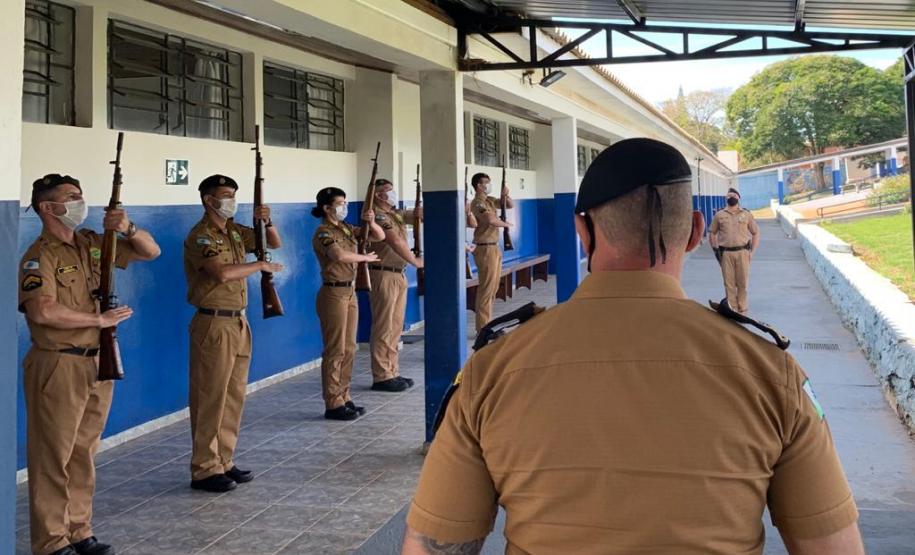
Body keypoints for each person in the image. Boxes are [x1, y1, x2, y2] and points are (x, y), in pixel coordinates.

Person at [403, 139, 863, 555]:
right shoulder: (771, 371)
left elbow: (432, 546)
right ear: (696, 231)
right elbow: (833, 546)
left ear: (582, 232)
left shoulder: (492, 370)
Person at [19, 174, 161, 555]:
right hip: (58, 364)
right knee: (54, 456)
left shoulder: (91, 244)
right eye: (71, 197)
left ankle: (79, 530)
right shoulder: (39, 256)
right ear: (48, 208)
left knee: (84, 452)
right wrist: (98, 320)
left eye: (80, 195)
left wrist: (128, 227)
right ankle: (51, 541)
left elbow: (151, 251)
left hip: (97, 362)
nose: (80, 202)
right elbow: (42, 310)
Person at [183, 174, 283, 493]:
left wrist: (267, 222)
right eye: (226, 195)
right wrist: (259, 267)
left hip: (238, 321)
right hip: (213, 323)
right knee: (210, 396)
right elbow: (222, 273)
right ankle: (204, 468)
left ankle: (224, 460)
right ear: (208, 200)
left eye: (234, 195)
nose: (231, 201)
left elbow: (274, 243)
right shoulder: (201, 236)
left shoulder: (235, 232)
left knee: (233, 395)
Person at [311, 187, 384, 420]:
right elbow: (339, 256)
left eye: (345, 203)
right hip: (334, 293)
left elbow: (379, 237)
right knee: (335, 349)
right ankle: (333, 402)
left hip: (350, 292)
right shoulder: (323, 233)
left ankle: (344, 395)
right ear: (327, 208)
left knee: (349, 348)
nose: (344, 207)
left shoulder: (345, 228)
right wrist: (365, 258)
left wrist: (371, 222)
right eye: (340, 203)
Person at [366, 179, 422, 392]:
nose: (393, 194)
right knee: (384, 326)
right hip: (383, 274)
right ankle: (382, 375)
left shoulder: (393, 214)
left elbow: (416, 214)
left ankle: (392, 370)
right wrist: (415, 261)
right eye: (388, 191)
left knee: (395, 326)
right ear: (378, 195)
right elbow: (395, 241)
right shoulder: (378, 216)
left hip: (398, 274)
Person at [469, 172, 513, 332]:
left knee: (493, 289)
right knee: (486, 290)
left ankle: (487, 324)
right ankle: (483, 329)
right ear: (479, 185)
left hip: (494, 247)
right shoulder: (477, 203)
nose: (489, 185)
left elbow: (509, 205)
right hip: (485, 248)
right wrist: (506, 224)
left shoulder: (490, 200)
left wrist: (505, 194)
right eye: (486, 182)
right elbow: (489, 219)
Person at [709, 187, 759, 314]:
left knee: (743, 282)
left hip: (743, 253)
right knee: (729, 283)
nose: (731, 197)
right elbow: (712, 233)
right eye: (729, 195)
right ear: (726, 198)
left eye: (734, 196)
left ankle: (742, 307)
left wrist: (752, 252)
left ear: (738, 198)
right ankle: (732, 308)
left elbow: (756, 233)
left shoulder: (746, 214)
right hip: (725, 253)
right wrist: (715, 250)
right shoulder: (719, 215)